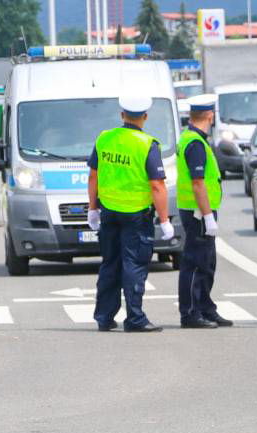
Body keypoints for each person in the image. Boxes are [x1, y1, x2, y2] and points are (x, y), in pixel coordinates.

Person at [87, 95, 174, 333]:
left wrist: (92, 208)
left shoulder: (105, 139)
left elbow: (93, 176)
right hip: (136, 215)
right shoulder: (148, 144)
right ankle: (135, 318)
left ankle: (104, 316)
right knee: (133, 265)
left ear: (122, 114)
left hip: (109, 212)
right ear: (145, 116)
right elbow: (157, 186)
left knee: (110, 263)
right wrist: (165, 220)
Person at [176, 94, 232, 329]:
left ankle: (206, 308)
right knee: (195, 262)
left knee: (207, 262)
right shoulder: (195, 143)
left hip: (199, 210)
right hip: (198, 212)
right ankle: (190, 313)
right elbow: (198, 183)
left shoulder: (192, 138)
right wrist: (208, 215)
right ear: (210, 116)